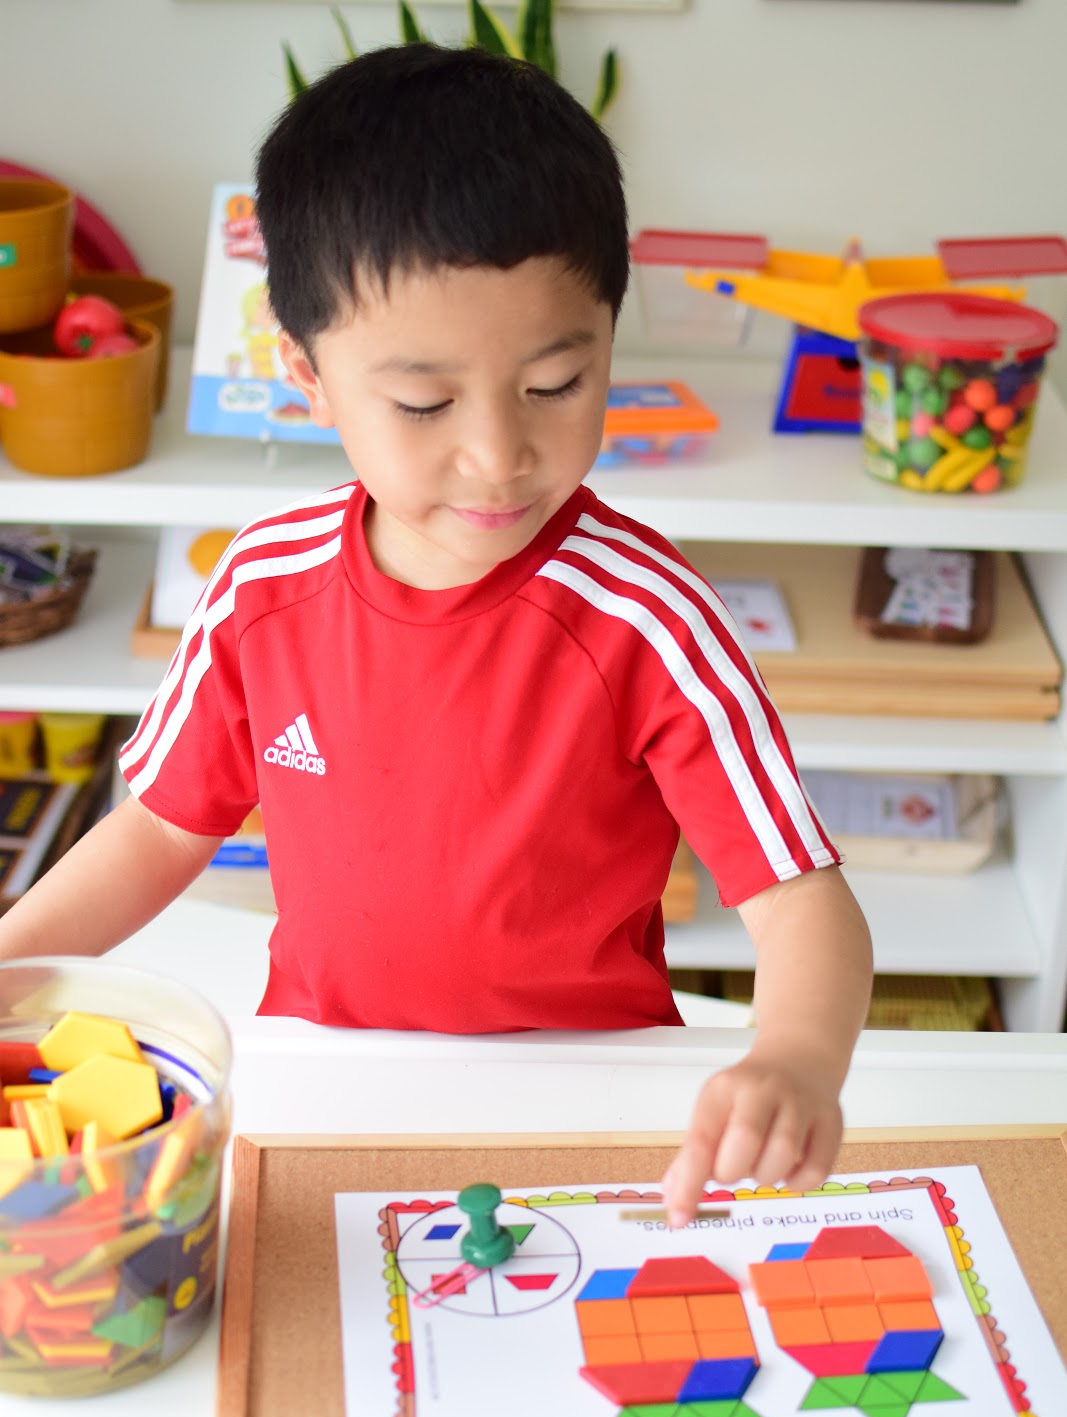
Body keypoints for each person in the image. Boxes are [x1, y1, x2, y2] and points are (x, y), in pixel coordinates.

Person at [0, 44, 872, 1224]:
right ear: (305, 372)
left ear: (610, 335)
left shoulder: (648, 615)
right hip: (326, 1080)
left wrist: (797, 1058)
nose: (498, 454)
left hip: (592, 1098)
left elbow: (798, 895)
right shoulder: (261, 587)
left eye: (558, 383)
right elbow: (156, 828)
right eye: (422, 404)